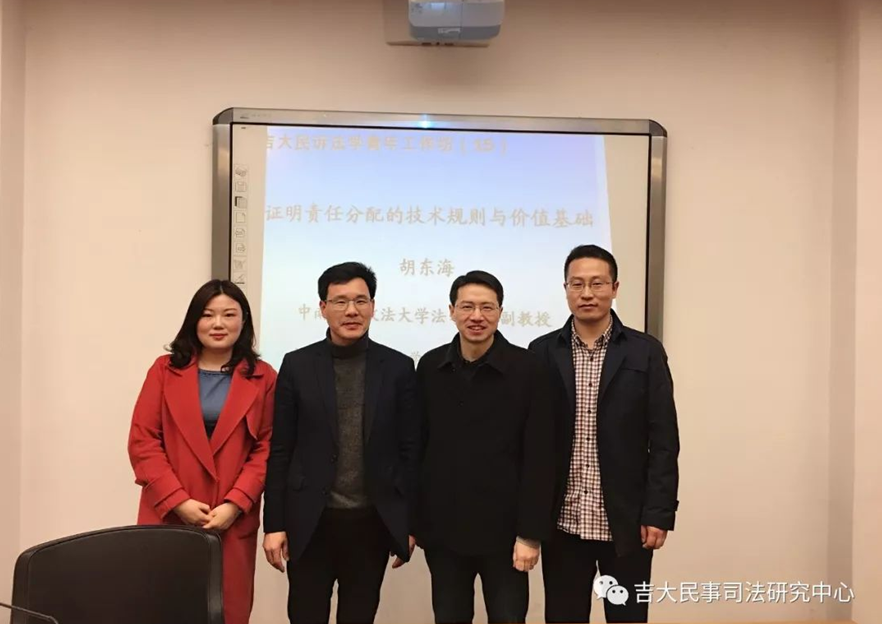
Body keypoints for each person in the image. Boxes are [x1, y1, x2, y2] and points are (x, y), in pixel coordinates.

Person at [528, 244, 680, 624]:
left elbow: (664, 439)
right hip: (563, 522)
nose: (587, 293)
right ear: (565, 289)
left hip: (626, 522)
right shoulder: (542, 352)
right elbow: (532, 443)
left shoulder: (645, 352)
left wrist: (659, 511)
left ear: (615, 288)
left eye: (597, 283)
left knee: (628, 617)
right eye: (577, 284)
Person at [262, 261, 419, 624]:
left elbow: (410, 450)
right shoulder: (298, 365)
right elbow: (281, 449)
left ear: (373, 306)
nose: (352, 311)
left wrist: (408, 524)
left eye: (361, 301)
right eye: (340, 301)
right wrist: (274, 524)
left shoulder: (397, 367)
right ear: (323, 307)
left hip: (370, 524)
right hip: (310, 522)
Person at [128, 279, 277, 624]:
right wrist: (177, 500)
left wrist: (235, 504)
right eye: (208, 315)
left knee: (227, 611)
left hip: (230, 519)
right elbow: (143, 441)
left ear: (244, 321)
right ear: (194, 320)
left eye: (229, 314)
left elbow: (267, 448)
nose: (218, 323)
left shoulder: (264, 377)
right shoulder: (164, 370)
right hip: (169, 514)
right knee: (164, 609)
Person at [415, 270, 556, 624]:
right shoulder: (430, 367)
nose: (476, 316)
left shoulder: (529, 369)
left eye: (487, 307)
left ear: (500, 312)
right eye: (467, 307)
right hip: (444, 532)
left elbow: (541, 458)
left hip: (506, 535)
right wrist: (413, 521)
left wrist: (530, 535)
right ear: (451, 311)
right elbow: (418, 448)